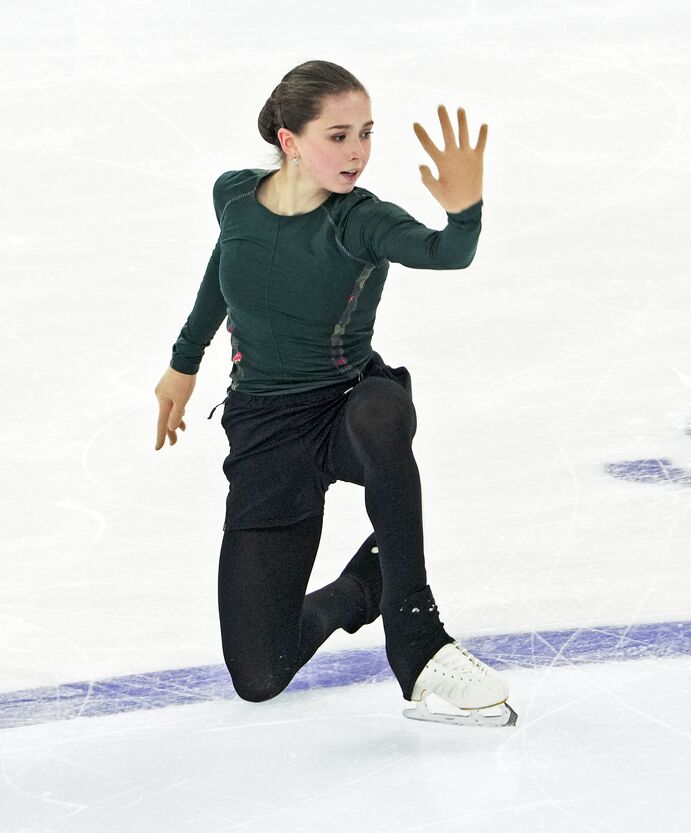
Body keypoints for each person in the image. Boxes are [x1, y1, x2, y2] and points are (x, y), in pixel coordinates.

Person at [152, 60, 514, 727]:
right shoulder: (234, 195)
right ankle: (362, 588)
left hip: (348, 403)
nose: (358, 153)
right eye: (339, 135)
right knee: (260, 672)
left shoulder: (361, 221)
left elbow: (443, 252)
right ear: (290, 141)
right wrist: (183, 360)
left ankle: (418, 638)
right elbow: (227, 261)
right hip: (266, 431)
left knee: (382, 418)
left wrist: (465, 213)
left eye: (366, 134)